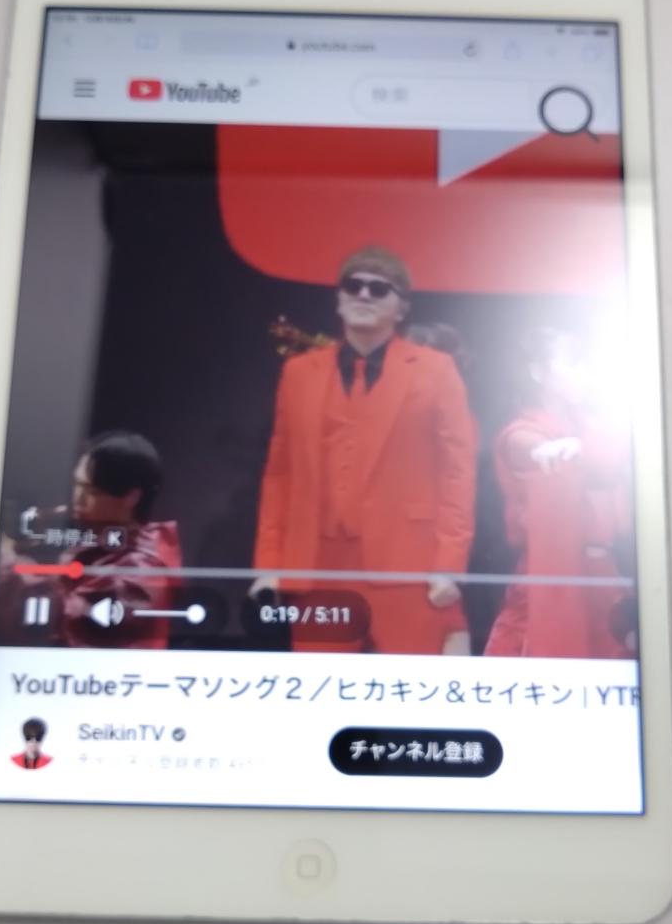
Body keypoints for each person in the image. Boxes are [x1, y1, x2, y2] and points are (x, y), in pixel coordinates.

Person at [253, 246, 477, 654]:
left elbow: (457, 473)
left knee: (410, 688)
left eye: (379, 289)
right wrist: (269, 564)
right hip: (317, 564)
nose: (363, 295)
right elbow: (279, 475)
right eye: (353, 286)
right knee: (321, 686)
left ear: (401, 307)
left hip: (408, 565)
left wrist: (449, 564)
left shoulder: (436, 370)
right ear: (339, 298)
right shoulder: (299, 373)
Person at [483, 327, 634, 659]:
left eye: (587, 364)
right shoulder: (521, 432)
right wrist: (561, 449)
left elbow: (607, 458)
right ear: (539, 372)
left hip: (603, 575)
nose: (585, 374)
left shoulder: (592, 426)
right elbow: (538, 451)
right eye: (573, 363)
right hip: (551, 576)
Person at [0, 431, 182, 649]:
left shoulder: (144, 566)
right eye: (77, 485)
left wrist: (8, 563)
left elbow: (75, 619)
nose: (78, 498)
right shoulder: (102, 540)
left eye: (91, 491)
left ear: (131, 497)